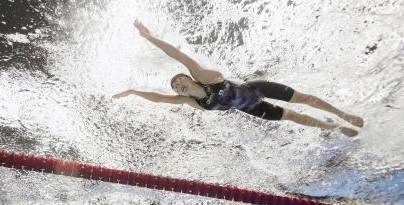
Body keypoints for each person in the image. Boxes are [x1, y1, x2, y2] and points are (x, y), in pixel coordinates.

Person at [113, 21, 364, 137]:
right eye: (177, 86)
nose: (179, 84)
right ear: (183, 93)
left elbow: (178, 54)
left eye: (180, 79)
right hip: (251, 108)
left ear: (190, 79)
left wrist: (149, 37)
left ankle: (343, 114)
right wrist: (134, 92)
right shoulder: (195, 103)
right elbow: (158, 99)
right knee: (291, 117)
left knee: (304, 99)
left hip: (255, 90)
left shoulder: (204, 77)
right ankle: (334, 128)